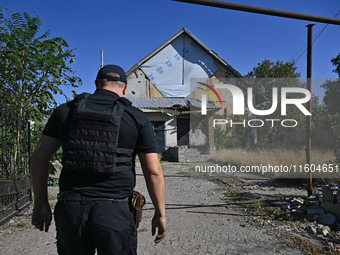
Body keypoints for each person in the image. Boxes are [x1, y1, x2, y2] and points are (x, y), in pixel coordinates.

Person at [30, 64, 166, 255]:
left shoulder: (65, 111)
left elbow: (38, 158)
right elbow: (153, 170)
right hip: (115, 211)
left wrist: (40, 202)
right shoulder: (136, 117)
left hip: (71, 209)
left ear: (96, 84)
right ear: (125, 88)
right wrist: (160, 213)